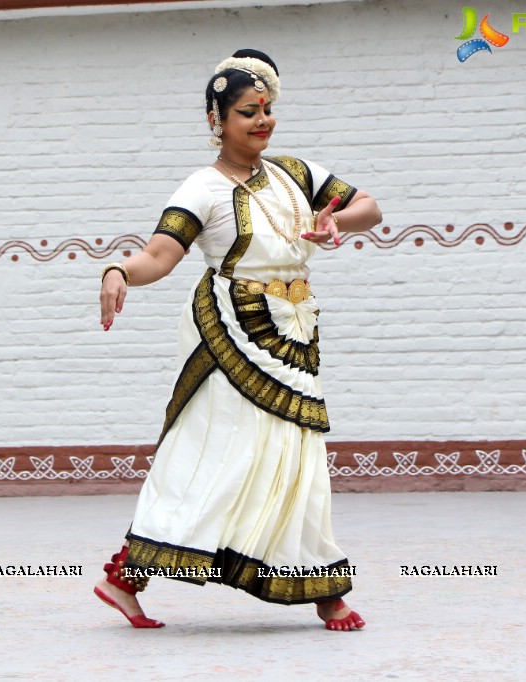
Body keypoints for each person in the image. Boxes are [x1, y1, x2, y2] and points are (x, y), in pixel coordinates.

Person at [94, 49, 382, 631]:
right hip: (231, 335)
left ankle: (318, 585)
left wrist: (336, 222)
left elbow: (370, 209)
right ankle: (128, 574)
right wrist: (119, 271)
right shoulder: (201, 187)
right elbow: (160, 254)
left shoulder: (297, 174)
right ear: (216, 120)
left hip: (294, 329)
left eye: (268, 110)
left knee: (295, 455)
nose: (262, 121)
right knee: (221, 453)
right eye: (248, 112)